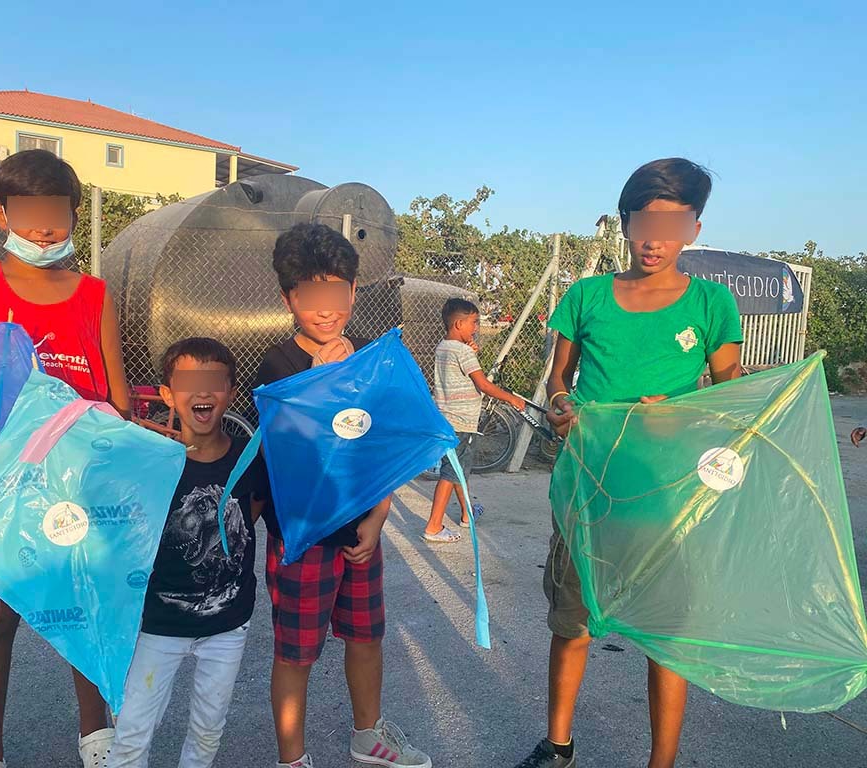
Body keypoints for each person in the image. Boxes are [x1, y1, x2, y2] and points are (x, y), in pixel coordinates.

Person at [516, 158, 743, 768]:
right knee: (573, 622)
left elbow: (728, 397)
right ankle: (557, 744)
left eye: (672, 222)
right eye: (642, 221)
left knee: (667, 635)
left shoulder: (711, 303)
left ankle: (661, 761)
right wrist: (562, 403)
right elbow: (558, 377)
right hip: (588, 489)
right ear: (623, 224)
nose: (654, 237)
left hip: (668, 495)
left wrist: (680, 412)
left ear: (694, 229)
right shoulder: (586, 295)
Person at [0, 150, 131, 768]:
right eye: (30, 214)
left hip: (74, 482)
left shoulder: (94, 294)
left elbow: (114, 396)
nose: (44, 228)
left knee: (82, 607)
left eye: (58, 215)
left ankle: (97, 736)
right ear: (1, 213)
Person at [253, 223, 431, 768]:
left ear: (353, 293)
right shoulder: (278, 366)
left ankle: (368, 734)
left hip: (360, 531)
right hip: (303, 535)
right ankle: (292, 758)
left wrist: (379, 514)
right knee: (296, 652)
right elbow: (282, 457)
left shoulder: (369, 360)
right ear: (289, 299)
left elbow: (376, 447)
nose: (324, 307)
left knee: (366, 635)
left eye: (336, 291)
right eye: (309, 294)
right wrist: (317, 380)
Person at [108, 338, 268, 768]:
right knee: (131, 734)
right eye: (188, 382)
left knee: (207, 729)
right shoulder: (149, 462)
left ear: (231, 392)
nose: (202, 392)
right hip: (157, 625)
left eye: (213, 381)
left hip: (227, 626)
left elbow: (249, 514)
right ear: (166, 394)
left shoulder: (251, 458)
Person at [422, 298, 525, 543]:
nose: (476, 327)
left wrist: (470, 348)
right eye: (474, 323)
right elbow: (482, 383)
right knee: (451, 473)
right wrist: (511, 398)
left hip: (447, 418)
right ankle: (434, 525)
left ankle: (468, 514)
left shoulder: (443, 347)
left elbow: (460, 368)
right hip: (463, 422)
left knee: (460, 469)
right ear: (459, 324)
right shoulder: (463, 351)